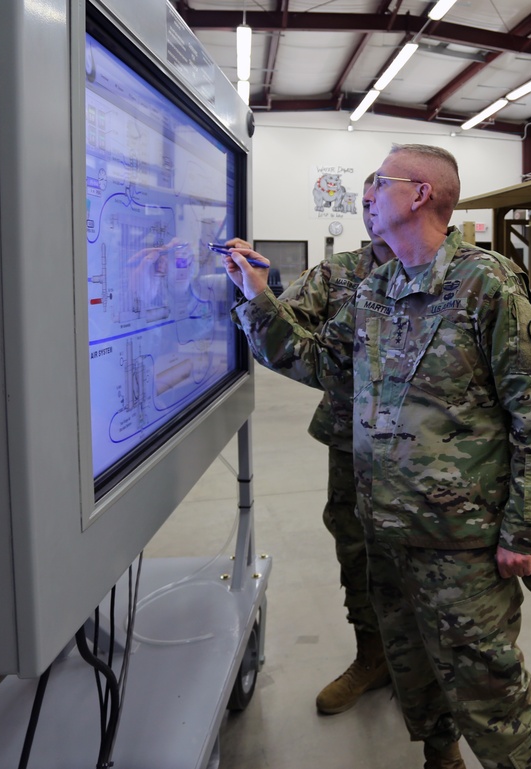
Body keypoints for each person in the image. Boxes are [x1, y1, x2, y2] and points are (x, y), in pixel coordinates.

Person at [224, 143, 531, 769]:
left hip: (460, 544)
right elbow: (317, 362)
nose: (368, 196)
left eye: (380, 182)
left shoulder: (485, 285)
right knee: (412, 667)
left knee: (492, 694)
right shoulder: (375, 290)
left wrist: (523, 530)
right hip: (386, 532)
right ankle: (441, 757)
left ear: (418, 195)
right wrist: (255, 297)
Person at [231, 175, 400, 715]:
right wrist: (258, 288)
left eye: (382, 203)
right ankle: (372, 656)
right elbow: (288, 324)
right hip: (354, 441)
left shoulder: (467, 273)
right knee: (355, 545)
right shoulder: (340, 272)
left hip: (438, 452)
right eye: (366, 205)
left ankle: (423, 668)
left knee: (429, 560)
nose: (373, 215)